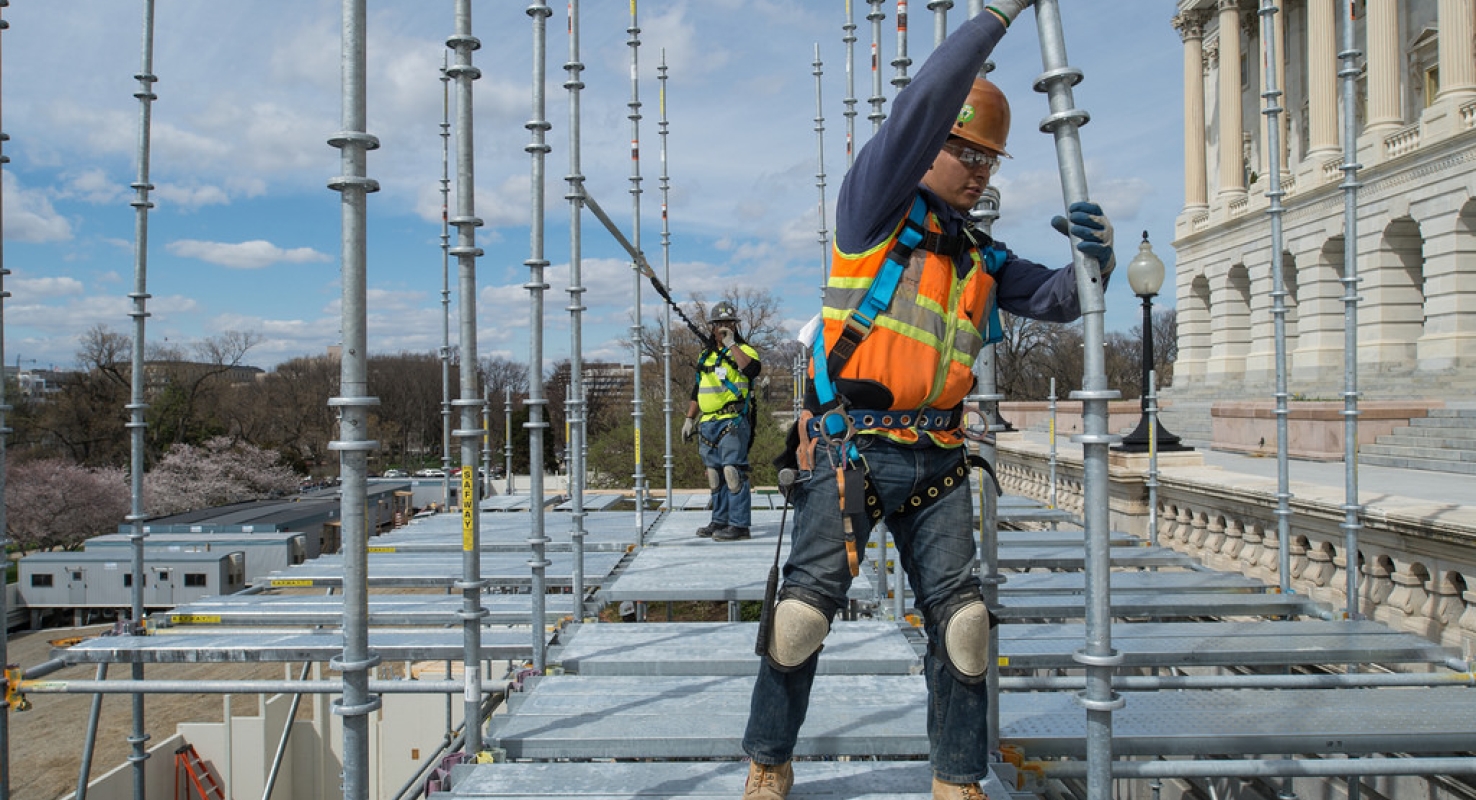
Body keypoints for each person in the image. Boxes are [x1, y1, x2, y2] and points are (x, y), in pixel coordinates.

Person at [737, 4, 1116, 799]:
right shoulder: (872, 210)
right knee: (802, 616)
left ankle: (957, 778)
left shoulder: (981, 253)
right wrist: (992, 21)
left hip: (937, 455)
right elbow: (922, 104)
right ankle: (768, 760)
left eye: (989, 159)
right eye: (963, 149)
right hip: (853, 449)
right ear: (930, 145)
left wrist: (1096, 264)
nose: (978, 170)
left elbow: (1055, 299)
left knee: (966, 627)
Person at [682, 301, 763, 542]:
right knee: (714, 474)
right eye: (718, 324)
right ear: (712, 328)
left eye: (727, 324)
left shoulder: (745, 352)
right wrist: (689, 419)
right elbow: (698, 389)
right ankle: (720, 519)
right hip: (708, 423)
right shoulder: (705, 355)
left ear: (735, 326)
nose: (722, 328)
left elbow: (751, 371)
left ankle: (739, 525)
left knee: (732, 471)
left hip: (732, 420)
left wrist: (731, 344)